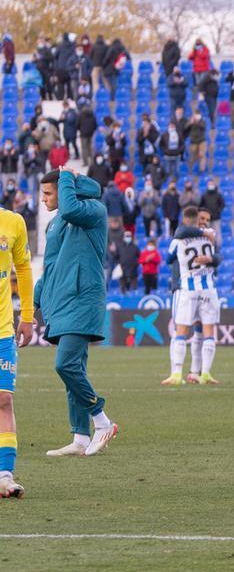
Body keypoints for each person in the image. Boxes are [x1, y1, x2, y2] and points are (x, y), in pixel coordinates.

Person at [37, 169, 119, 458]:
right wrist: (33, 303)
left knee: (66, 365)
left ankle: (102, 421)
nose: (44, 199)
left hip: (83, 299)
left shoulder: (93, 210)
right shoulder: (57, 222)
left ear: (65, 188)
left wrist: (67, 179)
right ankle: (80, 437)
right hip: (61, 301)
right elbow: (50, 266)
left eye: (49, 193)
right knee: (75, 370)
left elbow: (71, 208)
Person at [162, 206, 222, 386]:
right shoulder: (208, 235)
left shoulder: (179, 239)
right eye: (202, 219)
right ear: (197, 220)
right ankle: (201, 373)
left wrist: (211, 259)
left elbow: (168, 257)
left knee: (183, 332)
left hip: (186, 288)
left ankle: (180, 373)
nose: (205, 222)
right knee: (206, 332)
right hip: (207, 288)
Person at [0, 200, 35, 497]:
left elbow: (23, 269)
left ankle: (5, 476)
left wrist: (27, 316)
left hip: (2, 330)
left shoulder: (13, 223)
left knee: (3, 400)